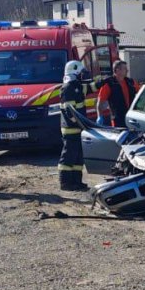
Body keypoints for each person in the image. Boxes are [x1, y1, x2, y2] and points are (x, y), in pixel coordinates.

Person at [58, 60, 90, 191]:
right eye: (81, 73)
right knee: (68, 156)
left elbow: (90, 87)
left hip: (78, 128)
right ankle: (65, 183)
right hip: (70, 130)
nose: (83, 75)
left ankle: (76, 182)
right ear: (75, 72)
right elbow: (69, 111)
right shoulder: (68, 88)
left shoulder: (76, 86)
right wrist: (77, 123)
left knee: (77, 157)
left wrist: (105, 81)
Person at [96, 60, 138, 128]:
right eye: (125, 68)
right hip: (118, 121)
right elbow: (100, 103)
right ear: (118, 70)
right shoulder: (108, 84)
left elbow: (142, 92)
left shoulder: (130, 82)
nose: (127, 70)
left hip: (132, 118)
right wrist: (100, 116)